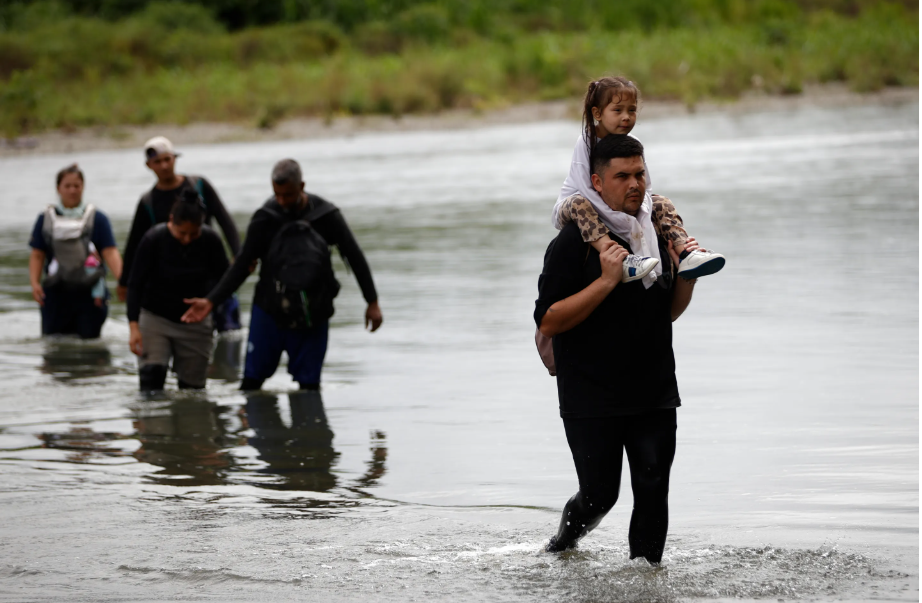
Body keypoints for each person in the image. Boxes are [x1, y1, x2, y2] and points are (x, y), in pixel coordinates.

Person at [535, 135, 699, 563]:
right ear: (596, 181)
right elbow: (549, 320)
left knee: (652, 485)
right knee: (599, 496)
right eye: (622, 176)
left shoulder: (653, 234)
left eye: (640, 174)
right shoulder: (575, 242)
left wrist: (686, 279)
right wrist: (607, 280)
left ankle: (646, 581)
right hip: (591, 394)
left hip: (653, 388)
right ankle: (560, 547)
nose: (634, 184)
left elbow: (666, 313)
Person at [181, 159, 383, 391]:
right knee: (251, 385)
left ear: (302, 186)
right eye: (277, 194)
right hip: (269, 309)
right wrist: (211, 300)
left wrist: (372, 302)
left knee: (309, 387)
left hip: (313, 311)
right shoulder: (265, 217)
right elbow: (241, 266)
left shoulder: (326, 215)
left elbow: (354, 257)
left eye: (288, 195)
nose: (282, 201)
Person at [553, 76, 725, 283]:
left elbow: (647, 186)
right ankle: (621, 259)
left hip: (612, 201)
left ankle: (685, 253)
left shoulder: (633, 142)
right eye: (617, 111)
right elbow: (586, 188)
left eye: (631, 110)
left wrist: (641, 215)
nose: (626, 117)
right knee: (580, 203)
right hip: (576, 205)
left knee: (660, 202)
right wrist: (620, 220)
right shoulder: (586, 141)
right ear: (597, 113)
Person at [117, 136, 242, 331]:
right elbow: (135, 244)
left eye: (167, 159)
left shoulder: (199, 186)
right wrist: (124, 282)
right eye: (158, 162)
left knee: (228, 331)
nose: (164, 166)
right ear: (149, 165)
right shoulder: (148, 202)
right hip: (169, 275)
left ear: (175, 159)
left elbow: (224, 219)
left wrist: (238, 254)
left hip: (207, 268)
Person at [127, 190, 230, 390]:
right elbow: (135, 284)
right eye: (181, 233)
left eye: (194, 233)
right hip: (155, 318)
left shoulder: (211, 240)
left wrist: (211, 302)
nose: (187, 239)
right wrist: (133, 327)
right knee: (151, 381)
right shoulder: (153, 239)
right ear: (171, 220)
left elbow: (226, 280)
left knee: (192, 392)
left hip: (196, 321)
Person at [28, 163, 123, 339]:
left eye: (76, 186)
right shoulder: (45, 219)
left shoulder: (98, 219)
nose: (72, 190)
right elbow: (37, 254)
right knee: (53, 342)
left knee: (90, 344)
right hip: (56, 291)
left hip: (91, 292)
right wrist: (34, 284)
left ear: (83, 187)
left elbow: (110, 252)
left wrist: (123, 282)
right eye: (68, 186)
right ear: (58, 188)